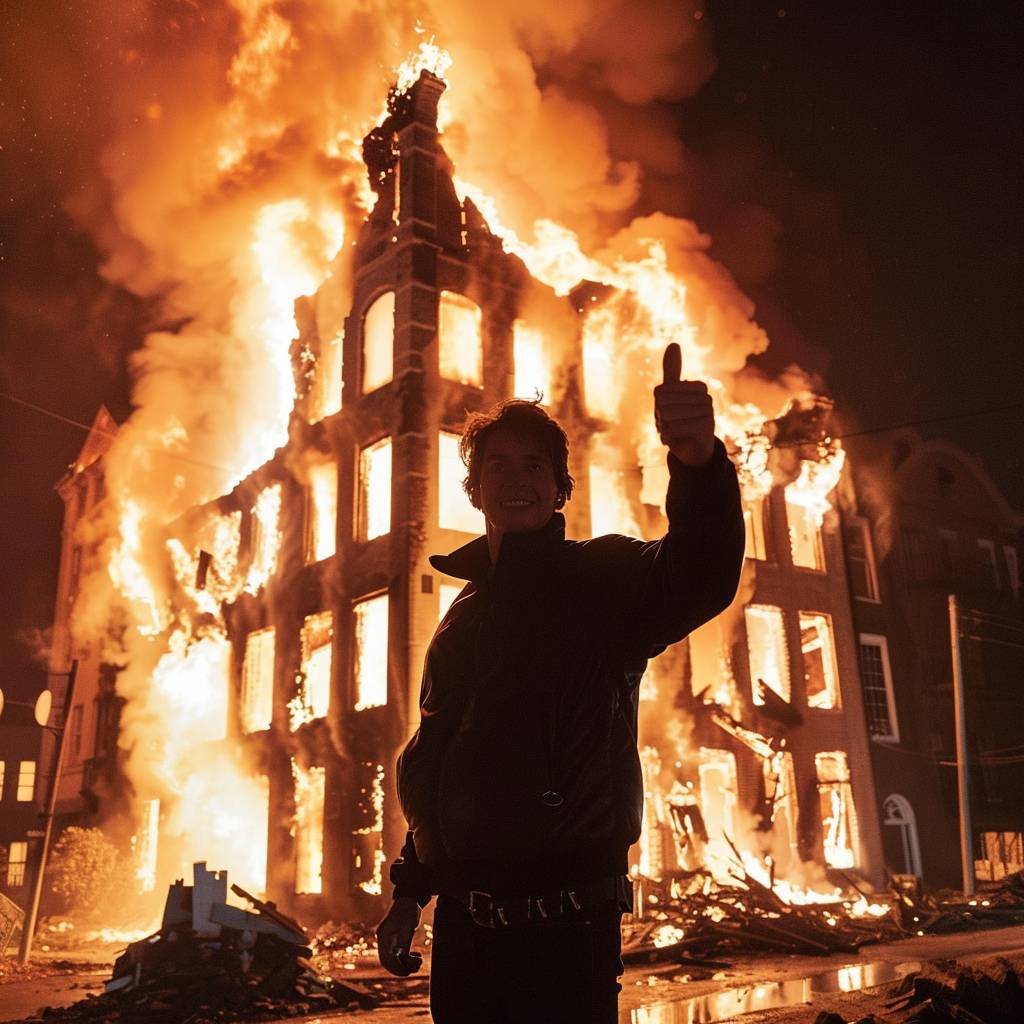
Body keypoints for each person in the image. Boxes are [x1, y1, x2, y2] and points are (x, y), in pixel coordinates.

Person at [377, 343, 745, 1022]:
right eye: (498, 466)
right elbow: (440, 762)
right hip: (465, 939)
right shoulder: (461, 617)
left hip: (566, 937)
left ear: (558, 488)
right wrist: (410, 892)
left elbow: (698, 573)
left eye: (534, 465)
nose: (516, 479)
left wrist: (698, 462)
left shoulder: (599, 581)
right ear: (474, 488)